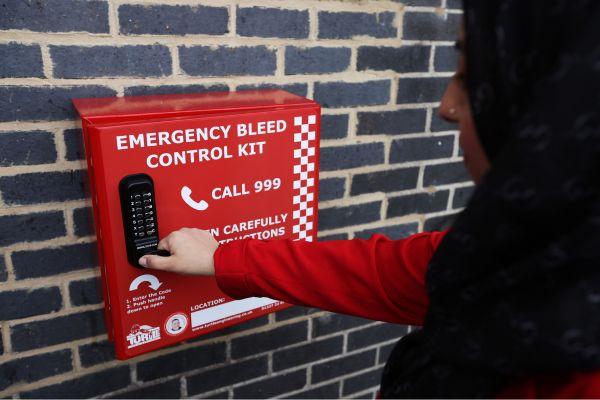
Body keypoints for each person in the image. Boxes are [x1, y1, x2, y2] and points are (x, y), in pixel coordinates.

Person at [139, 1, 600, 397]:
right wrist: (224, 258)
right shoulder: (519, 252)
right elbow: (383, 272)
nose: (446, 106)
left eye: (470, 76)